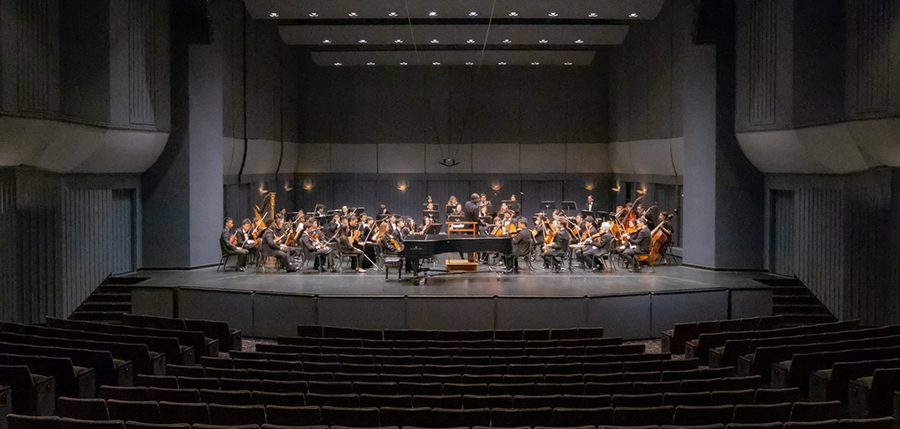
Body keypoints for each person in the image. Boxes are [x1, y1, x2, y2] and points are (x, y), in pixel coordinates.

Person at [464, 193, 482, 262]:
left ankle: (470, 257)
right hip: (473, 227)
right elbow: (476, 219)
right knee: (474, 243)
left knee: (469, 243)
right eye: (478, 198)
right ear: (474, 199)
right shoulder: (476, 208)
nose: (479, 199)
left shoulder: (467, 203)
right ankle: (473, 258)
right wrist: (483, 224)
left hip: (467, 227)